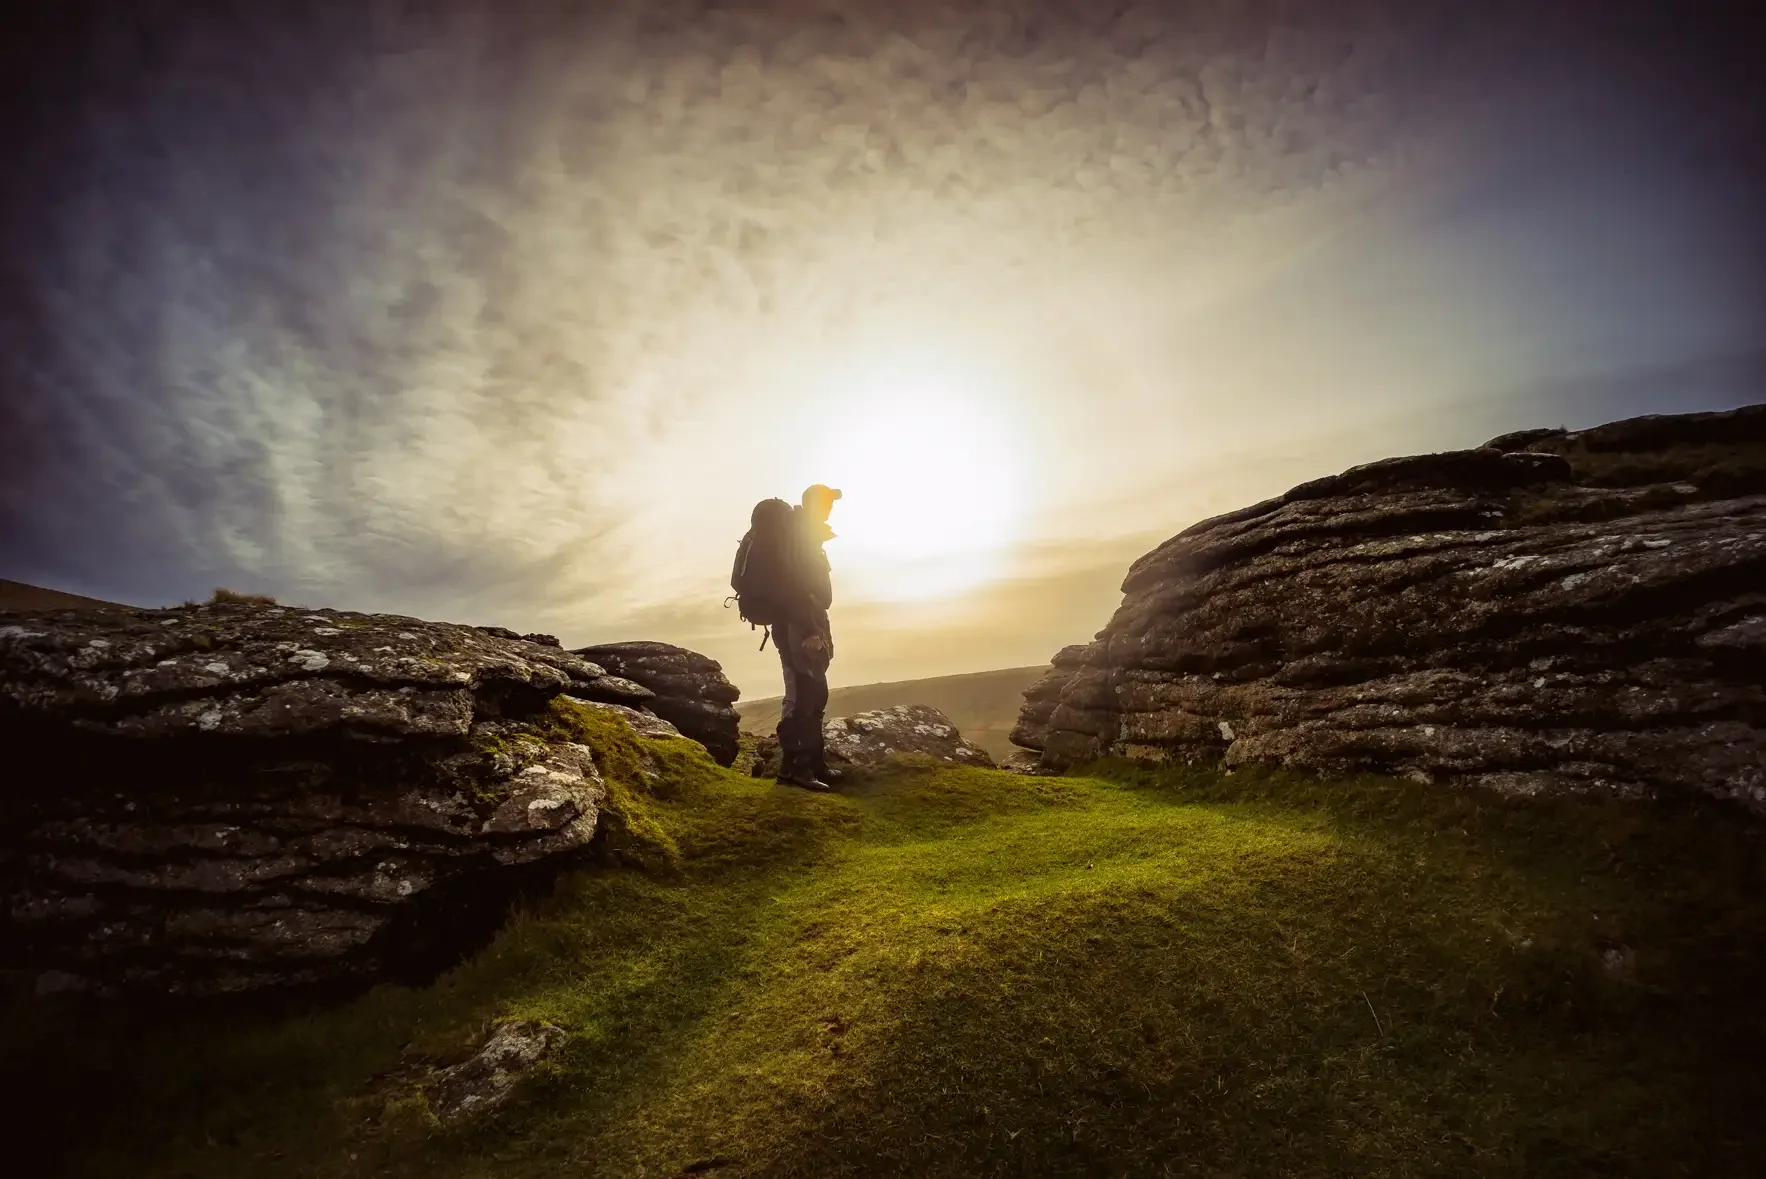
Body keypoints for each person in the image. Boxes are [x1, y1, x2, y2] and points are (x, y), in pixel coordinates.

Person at [773, 483, 841, 791]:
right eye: (826, 502)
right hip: (799, 628)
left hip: (810, 624)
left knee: (815, 697)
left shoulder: (809, 536)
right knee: (801, 698)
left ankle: (814, 765)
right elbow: (795, 588)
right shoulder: (799, 537)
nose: (830, 508)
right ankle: (794, 770)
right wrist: (810, 630)